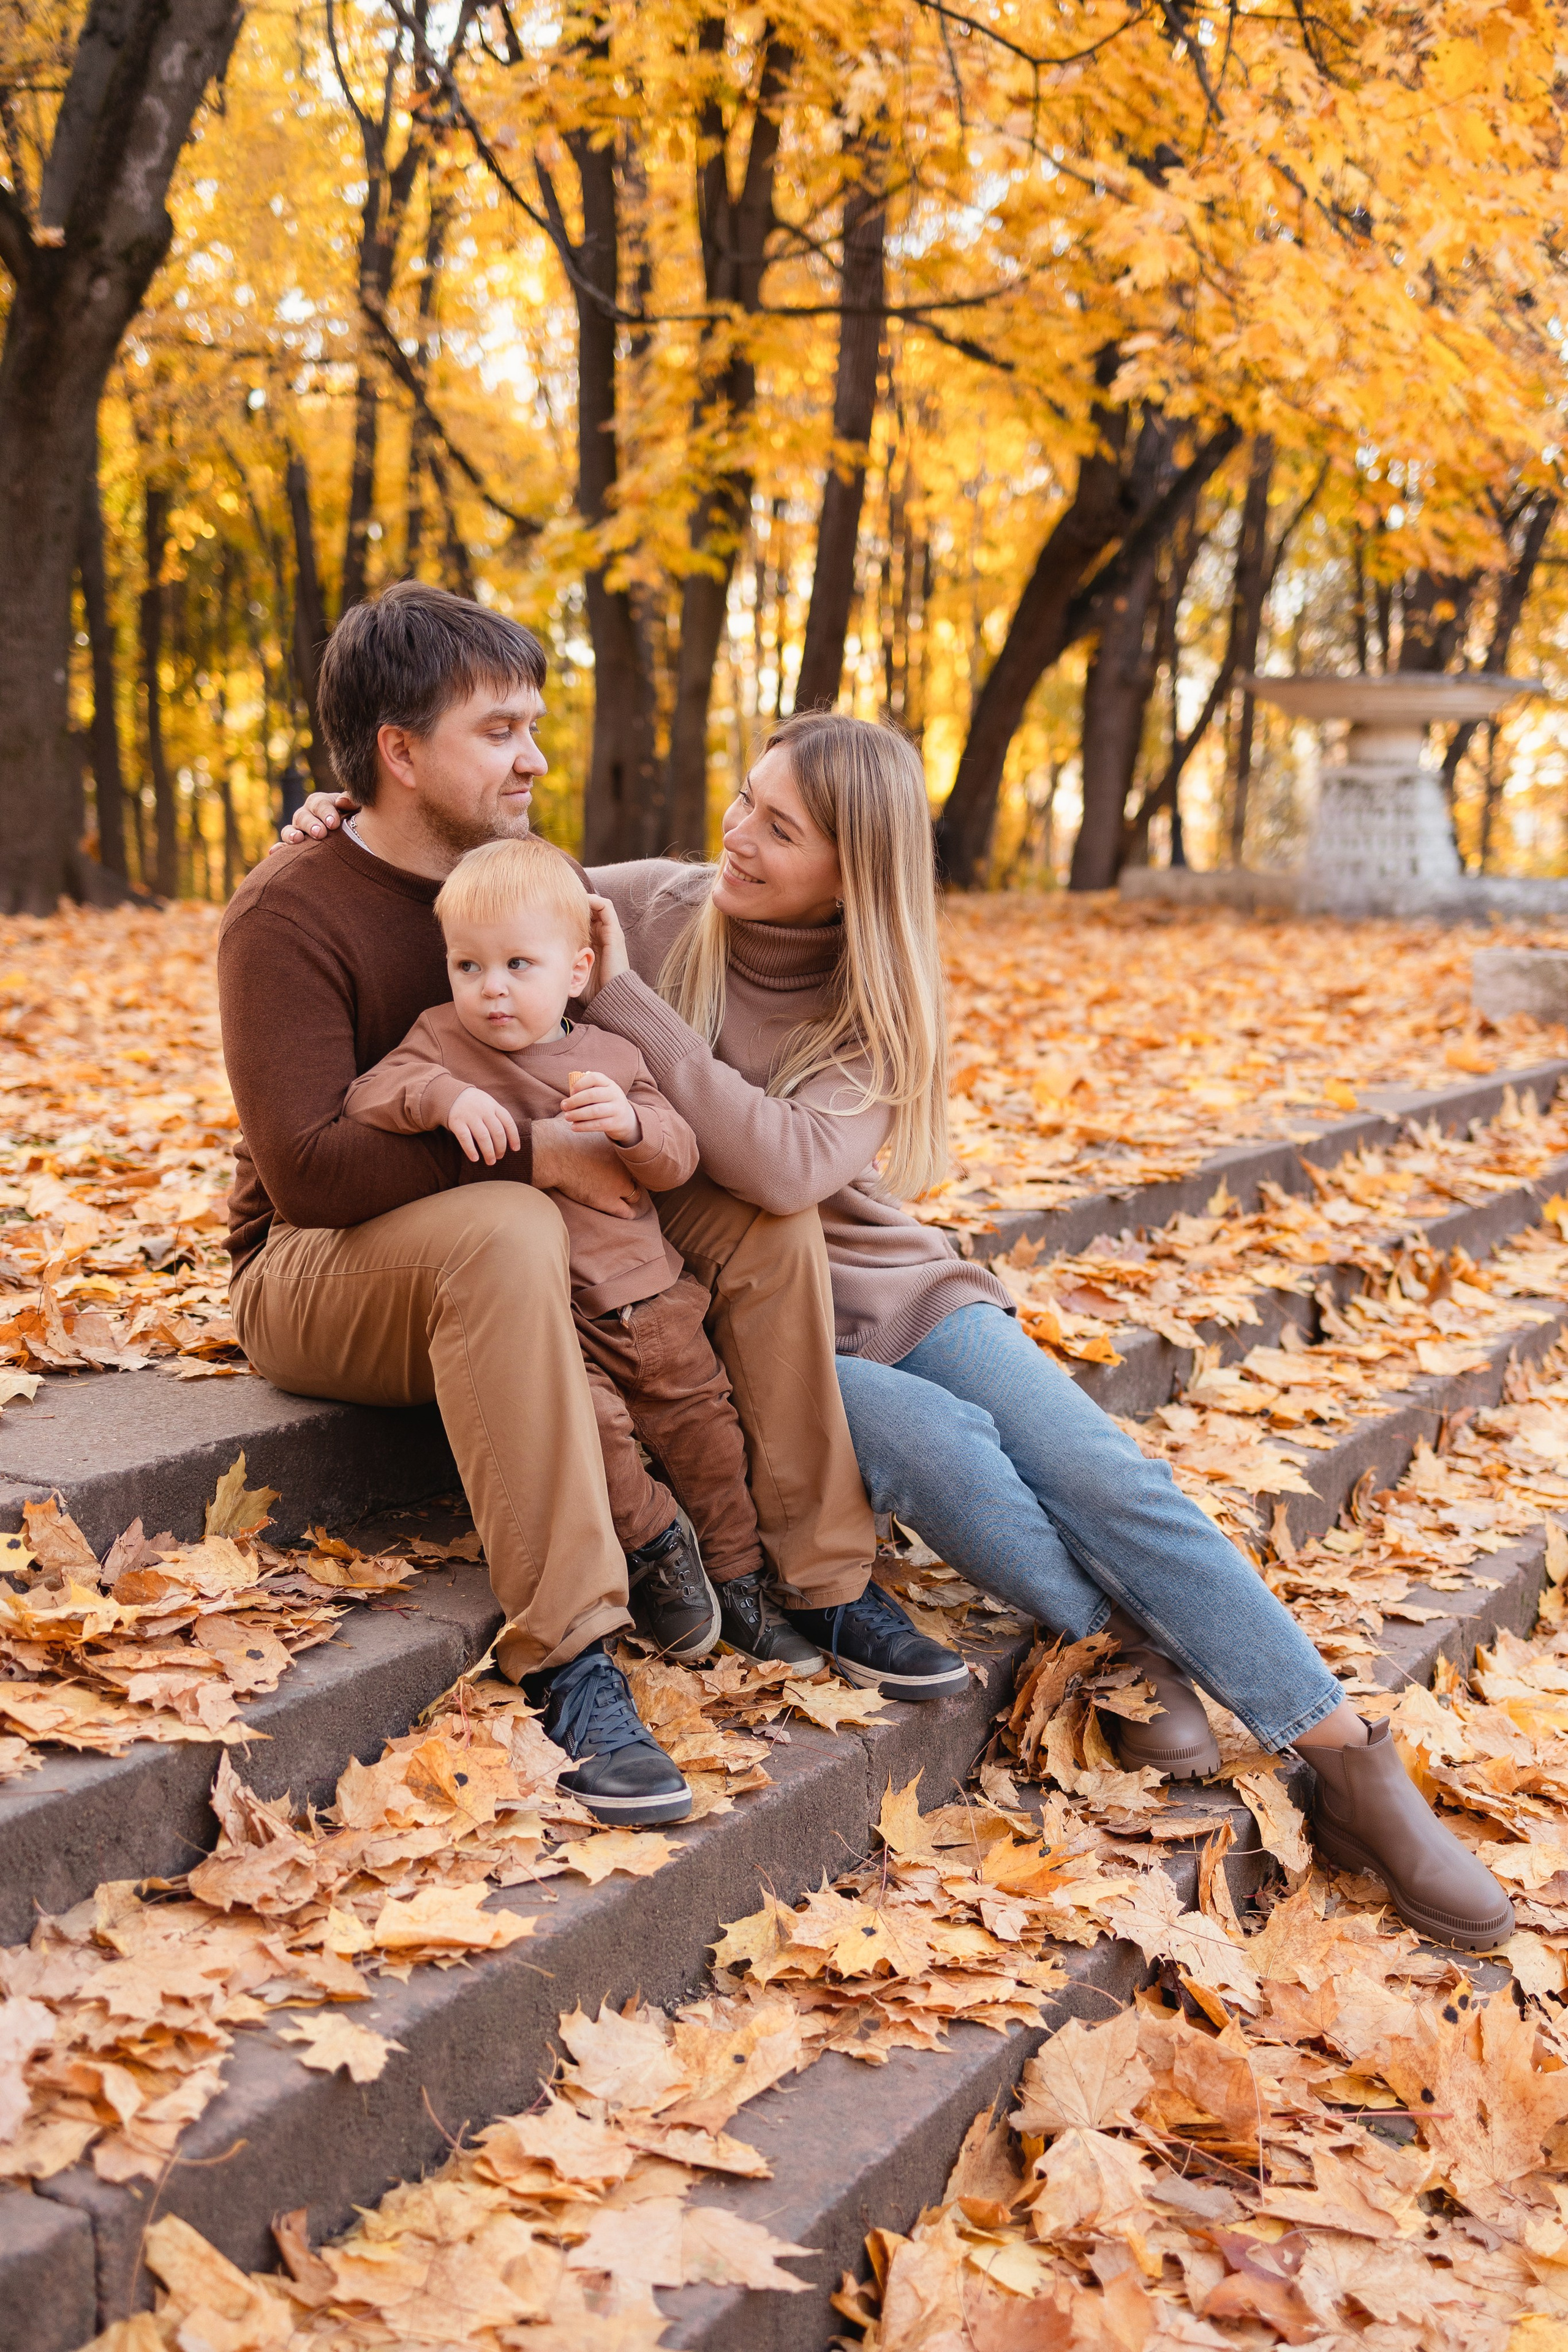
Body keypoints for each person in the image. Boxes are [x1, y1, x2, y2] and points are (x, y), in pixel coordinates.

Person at [287, 699, 1518, 1948]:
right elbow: (482, 899)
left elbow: (781, 1167)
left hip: (891, 1285)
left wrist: (628, 1004)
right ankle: (1119, 1643)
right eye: (746, 801)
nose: (739, 836)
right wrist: (353, 823)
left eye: (781, 830)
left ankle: (1346, 1759)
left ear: (851, 871)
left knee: (1104, 1469)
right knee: (944, 1454)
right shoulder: (645, 904)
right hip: (746, 1328)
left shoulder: (874, 998)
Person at [224, 586, 964, 1838]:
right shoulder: (288, 911)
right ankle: (569, 1649)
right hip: (316, 1268)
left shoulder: (536, 879)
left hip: (535, 1232)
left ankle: (819, 1576)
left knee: (766, 1222)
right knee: (511, 1227)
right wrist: (536, 1157)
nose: (533, 757)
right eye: (499, 732)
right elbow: (305, 1175)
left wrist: (601, 1141)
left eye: (531, 726)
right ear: (399, 753)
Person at [342, 831, 779, 1674]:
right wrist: (442, 1097)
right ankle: (657, 1539)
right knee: (597, 1436)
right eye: (468, 966)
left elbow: (679, 1158)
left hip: (654, 1300)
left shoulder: (612, 1056)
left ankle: (740, 1577)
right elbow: (368, 1098)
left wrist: (633, 1124)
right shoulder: (440, 1040)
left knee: (710, 1439)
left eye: (518, 965)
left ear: (577, 971)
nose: (491, 988)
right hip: (559, 1320)